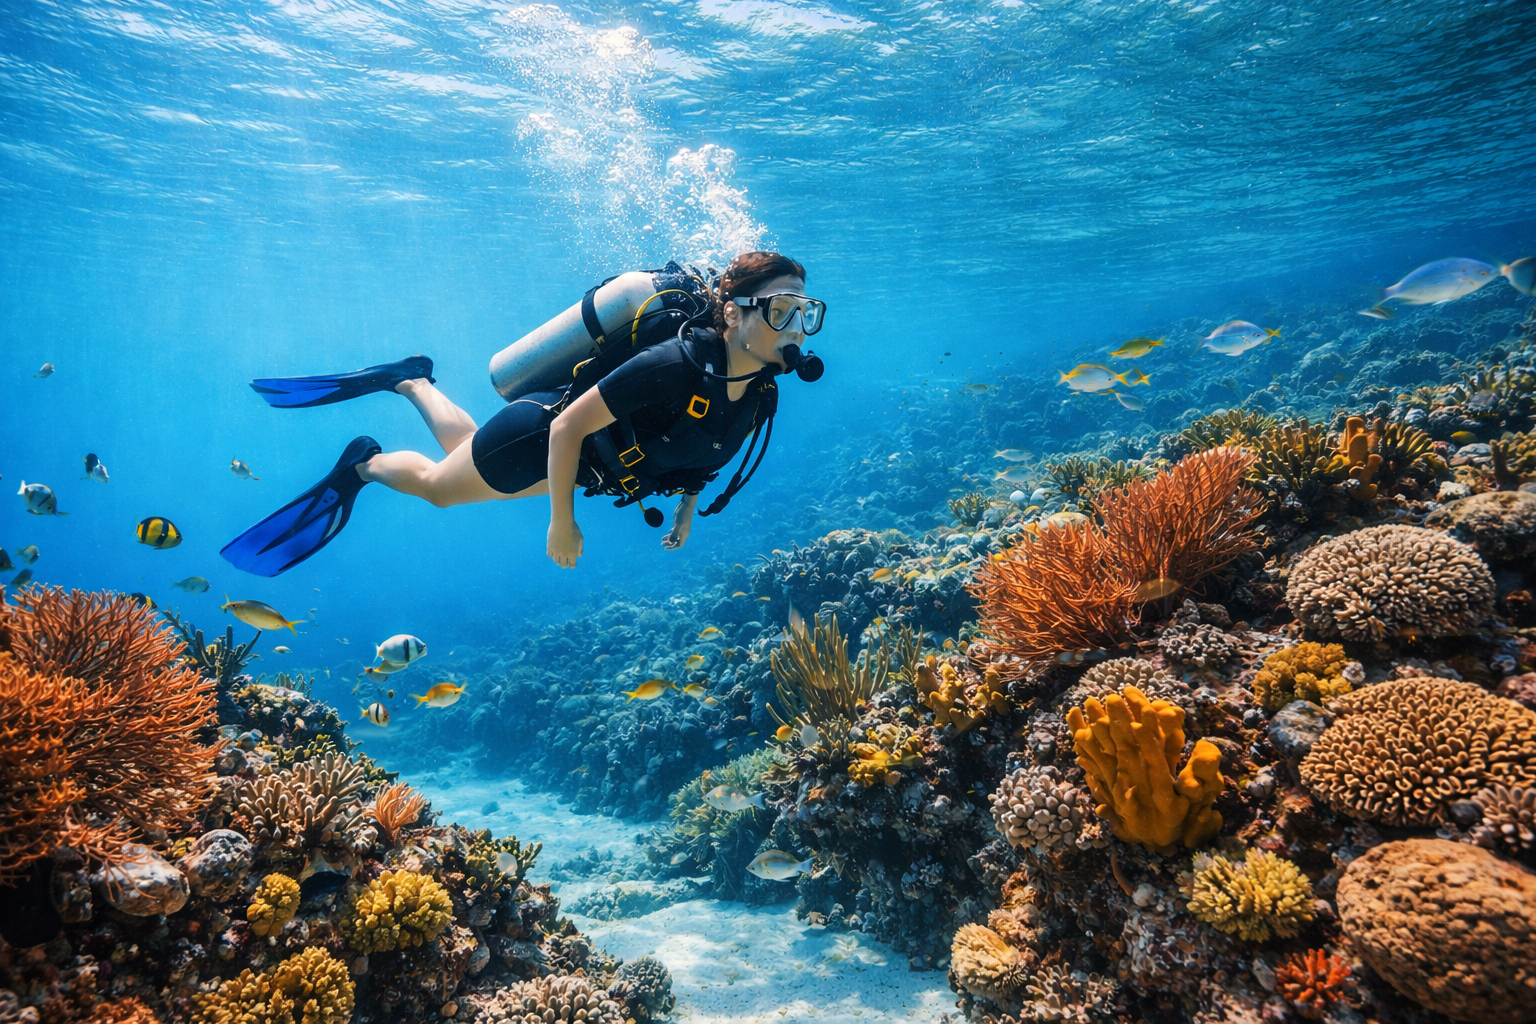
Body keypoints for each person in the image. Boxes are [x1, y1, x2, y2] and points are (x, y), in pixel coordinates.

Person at [221, 251, 825, 576]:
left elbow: (706, 447)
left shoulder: (763, 388)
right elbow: (567, 426)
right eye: (779, 308)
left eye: (805, 311)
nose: (794, 326)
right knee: (438, 488)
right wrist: (561, 524)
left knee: (464, 456)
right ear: (731, 314)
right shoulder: (672, 363)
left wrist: (688, 512)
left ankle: (409, 381)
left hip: (584, 463)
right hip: (539, 441)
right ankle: (365, 463)